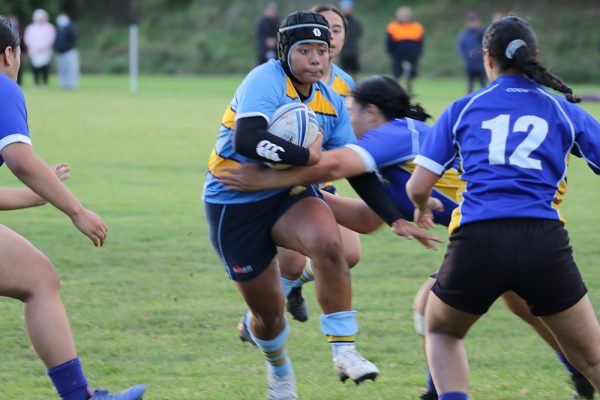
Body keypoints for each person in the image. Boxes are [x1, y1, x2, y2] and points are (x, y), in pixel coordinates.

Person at [219, 74, 597, 400]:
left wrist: (268, 181)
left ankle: (439, 391)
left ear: (371, 112)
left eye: (351, 112)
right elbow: (369, 220)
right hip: (503, 235)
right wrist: (301, 200)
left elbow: (334, 165)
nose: (348, 121)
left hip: (493, 229)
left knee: (432, 309)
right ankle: (576, 366)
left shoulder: (398, 134)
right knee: (520, 305)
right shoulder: (393, 159)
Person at [203, 11, 437, 398]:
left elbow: (357, 168)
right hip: (233, 202)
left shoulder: (330, 99)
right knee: (268, 314)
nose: (316, 59)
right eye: (305, 50)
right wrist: (306, 157)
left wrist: (394, 217)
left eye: (322, 51)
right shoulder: (265, 79)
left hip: (286, 196)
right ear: (284, 52)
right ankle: (279, 370)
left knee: (330, 244)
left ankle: (344, 349)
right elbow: (247, 139)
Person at [405, 15, 600, 400]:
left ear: (486, 58)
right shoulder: (562, 110)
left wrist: (422, 204)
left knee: (442, 331)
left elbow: (417, 186)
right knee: (592, 361)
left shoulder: (463, 108)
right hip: (543, 243)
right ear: (535, 56)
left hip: (477, 240)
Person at [0, 16, 145, 400]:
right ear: (9, 53)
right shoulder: (2, 86)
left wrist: (41, 194)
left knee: (37, 276)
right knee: (38, 279)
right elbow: (19, 159)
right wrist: (76, 211)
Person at [386, 6, 424, 94]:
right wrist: (390, 52)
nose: (405, 16)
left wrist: (418, 52)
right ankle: (395, 90)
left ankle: (409, 91)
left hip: (412, 54)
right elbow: (389, 41)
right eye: (403, 14)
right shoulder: (393, 26)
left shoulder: (417, 26)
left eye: (406, 14)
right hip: (398, 54)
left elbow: (420, 42)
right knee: (396, 74)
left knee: (410, 74)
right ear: (398, 15)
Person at [24, 9, 55, 88]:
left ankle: (45, 83)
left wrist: (42, 46)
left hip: (45, 51)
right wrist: (34, 47)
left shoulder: (50, 28)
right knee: (35, 68)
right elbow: (27, 39)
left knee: (45, 68)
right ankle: (36, 82)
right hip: (34, 51)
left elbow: (50, 39)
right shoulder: (31, 28)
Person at [457, 11, 487, 94]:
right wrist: (468, 58)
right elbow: (461, 47)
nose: (473, 23)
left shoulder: (482, 33)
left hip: (481, 65)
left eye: (474, 21)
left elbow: (487, 45)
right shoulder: (464, 35)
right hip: (470, 65)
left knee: (483, 85)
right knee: (470, 86)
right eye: (471, 21)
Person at [54, 11, 79, 90]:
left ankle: (71, 85)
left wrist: (66, 48)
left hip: (69, 52)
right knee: (62, 69)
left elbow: (73, 40)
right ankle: (64, 84)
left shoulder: (71, 28)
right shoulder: (58, 28)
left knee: (71, 69)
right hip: (60, 52)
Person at [338, 0, 362, 82]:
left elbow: (359, 34)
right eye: (346, 8)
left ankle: (355, 90)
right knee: (343, 73)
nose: (347, 10)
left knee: (354, 73)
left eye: (349, 8)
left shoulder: (356, 22)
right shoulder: (340, 22)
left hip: (353, 52)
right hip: (343, 51)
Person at [6, 12, 25, 85]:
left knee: (19, 66)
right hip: (8, 50)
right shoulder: (6, 28)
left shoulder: (20, 27)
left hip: (18, 50)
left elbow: (23, 40)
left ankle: (19, 81)